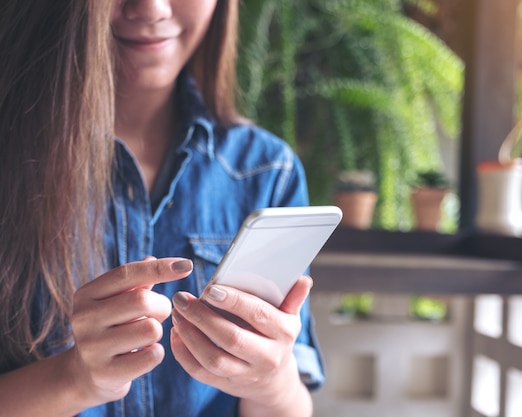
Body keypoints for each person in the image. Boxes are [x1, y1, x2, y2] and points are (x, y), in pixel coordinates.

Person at [0, 1, 323, 416]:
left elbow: (289, 405)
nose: (151, 8)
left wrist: (271, 382)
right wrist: (76, 379)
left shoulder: (266, 171)